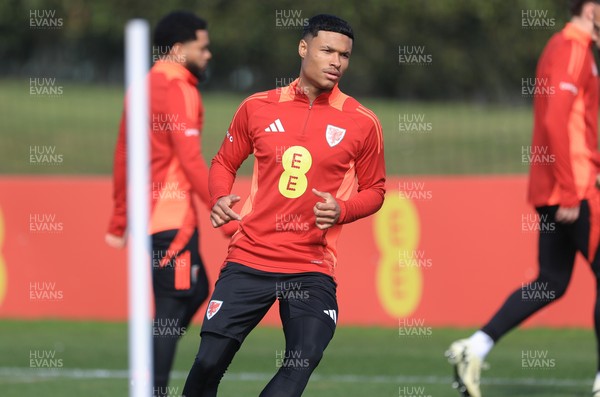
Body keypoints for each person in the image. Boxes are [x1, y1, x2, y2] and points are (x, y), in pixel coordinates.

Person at [181, 14, 386, 397]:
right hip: (250, 258)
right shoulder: (257, 106)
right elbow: (224, 162)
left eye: (344, 55)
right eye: (327, 50)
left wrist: (343, 210)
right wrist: (219, 196)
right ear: (303, 48)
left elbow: (376, 189)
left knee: (302, 361)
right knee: (208, 362)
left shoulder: (363, 122)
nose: (336, 62)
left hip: (311, 268)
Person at [446, 1, 600, 396]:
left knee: (550, 281)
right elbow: (554, 121)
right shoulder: (572, 48)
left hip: (558, 188)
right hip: (575, 189)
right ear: (589, 8)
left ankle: (473, 348)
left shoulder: (566, 47)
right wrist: (569, 189)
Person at [105, 11, 230, 397]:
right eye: (202, 47)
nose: (209, 55)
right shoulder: (179, 88)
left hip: (151, 217)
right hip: (171, 217)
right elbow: (190, 158)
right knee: (175, 304)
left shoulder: (141, 86)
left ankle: (151, 379)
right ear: (178, 49)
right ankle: (152, 388)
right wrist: (222, 212)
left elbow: (124, 154)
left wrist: (120, 219)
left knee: (193, 292)